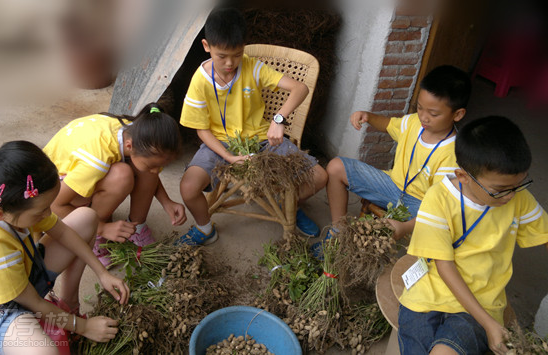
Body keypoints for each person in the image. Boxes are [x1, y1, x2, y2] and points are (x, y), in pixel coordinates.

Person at [0, 141, 130, 354]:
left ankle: (69, 303)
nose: (48, 214)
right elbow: (34, 302)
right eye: (41, 211)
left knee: (87, 218)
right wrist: (84, 327)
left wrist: (101, 273)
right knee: (44, 351)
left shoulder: (15, 205)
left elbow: (63, 232)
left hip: (17, 277)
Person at [398, 116, 548, 355]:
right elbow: (444, 266)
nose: (510, 196)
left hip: (482, 303)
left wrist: (487, 322)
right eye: (500, 190)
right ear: (463, 176)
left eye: (518, 185)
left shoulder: (518, 198)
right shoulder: (439, 199)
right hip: (427, 295)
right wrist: (489, 325)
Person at [178, 7, 327, 245]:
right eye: (221, 56)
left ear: (244, 47)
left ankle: (289, 205)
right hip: (220, 142)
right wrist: (228, 155)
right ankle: (205, 229)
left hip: (262, 138)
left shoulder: (252, 67)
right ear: (206, 46)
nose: (230, 63)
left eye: (236, 55)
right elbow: (202, 130)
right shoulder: (200, 81)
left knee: (319, 177)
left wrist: (279, 120)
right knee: (188, 187)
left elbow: (301, 88)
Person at [319, 65, 471, 250]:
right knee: (336, 167)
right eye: (420, 108)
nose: (423, 117)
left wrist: (406, 227)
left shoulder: (453, 155)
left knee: (443, 224)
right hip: (391, 185)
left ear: (458, 114)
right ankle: (338, 232)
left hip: (420, 206)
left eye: (433, 114)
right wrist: (368, 116)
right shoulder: (414, 122)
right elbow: (389, 124)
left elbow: (439, 208)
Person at [43, 102, 186, 266]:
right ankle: (93, 236)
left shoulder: (138, 132)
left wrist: (166, 201)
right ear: (129, 146)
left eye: (160, 166)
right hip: (53, 187)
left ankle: (137, 229)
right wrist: (102, 228)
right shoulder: (96, 160)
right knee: (122, 175)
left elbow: (148, 170)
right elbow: (55, 204)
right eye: (153, 166)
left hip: (81, 175)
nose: (157, 171)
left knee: (142, 169)